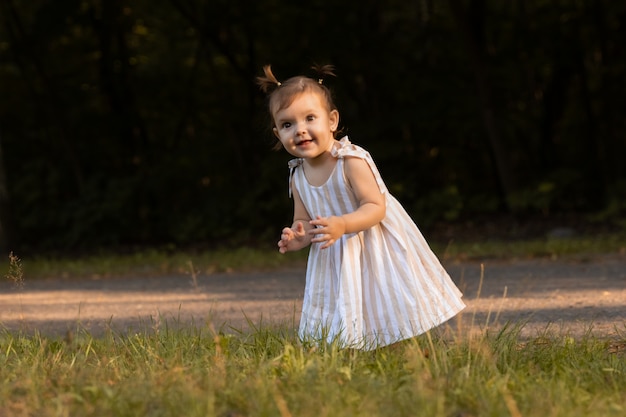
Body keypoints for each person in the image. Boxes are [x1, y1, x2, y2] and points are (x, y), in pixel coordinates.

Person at [257, 64, 465, 350]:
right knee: (346, 301)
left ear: (331, 120)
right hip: (334, 253)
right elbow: (302, 221)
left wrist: (343, 224)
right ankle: (353, 347)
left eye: (309, 118)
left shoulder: (351, 160)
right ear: (278, 133)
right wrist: (298, 237)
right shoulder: (297, 175)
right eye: (287, 125)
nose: (300, 130)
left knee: (383, 297)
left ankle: (405, 348)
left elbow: (376, 207)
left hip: (373, 243)